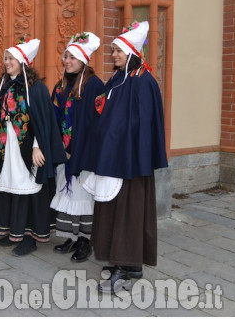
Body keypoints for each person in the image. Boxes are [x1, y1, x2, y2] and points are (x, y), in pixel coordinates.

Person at [82, 21, 168, 294]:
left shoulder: (143, 82)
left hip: (130, 161)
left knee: (126, 213)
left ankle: (123, 266)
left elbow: (140, 125)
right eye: (113, 51)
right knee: (114, 210)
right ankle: (129, 263)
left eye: (118, 51)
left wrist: (116, 142)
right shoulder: (120, 78)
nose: (114, 55)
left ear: (132, 52)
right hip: (113, 157)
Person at [0, 39, 66, 256]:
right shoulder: (2, 86)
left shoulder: (36, 89)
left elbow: (43, 122)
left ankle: (30, 237)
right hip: (6, 148)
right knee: (13, 190)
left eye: (11, 58)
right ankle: (15, 232)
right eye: (5, 58)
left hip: (27, 149)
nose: (7, 62)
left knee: (29, 190)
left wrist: (38, 147)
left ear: (23, 62)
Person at [49, 32, 104, 263]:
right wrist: (60, 148)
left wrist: (77, 150)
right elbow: (54, 119)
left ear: (83, 59)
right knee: (67, 194)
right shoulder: (60, 86)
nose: (67, 61)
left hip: (85, 154)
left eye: (72, 57)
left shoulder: (94, 86)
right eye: (66, 57)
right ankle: (71, 236)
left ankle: (85, 241)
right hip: (65, 153)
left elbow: (96, 125)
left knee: (83, 197)